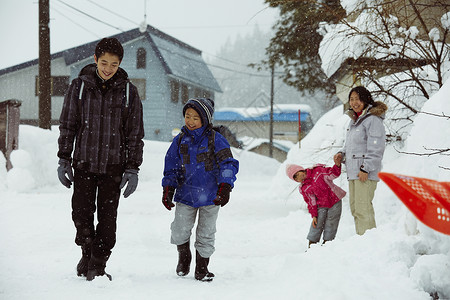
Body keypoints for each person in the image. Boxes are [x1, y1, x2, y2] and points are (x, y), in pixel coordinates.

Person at [57, 37, 144, 281]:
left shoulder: (128, 92)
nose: (108, 69)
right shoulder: (79, 87)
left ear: (120, 65)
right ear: (95, 60)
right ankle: (87, 251)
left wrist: (132, 168)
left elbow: (134, 133)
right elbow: (68, 125)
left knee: (107, 222)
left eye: (113, 65)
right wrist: (64, 158)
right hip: (84, 164)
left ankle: (98, 264)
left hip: (112, 168)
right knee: (81, 215)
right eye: (104, 62)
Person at [161, 98, 239, 282]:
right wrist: (168, 189)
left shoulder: (216, 139)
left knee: (206, 232)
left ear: (205, 119)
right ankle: (184, 255)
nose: (190, 121)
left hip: (212, 196)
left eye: (196, 117)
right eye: (188, 116)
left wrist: (225, 186)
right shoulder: (179, 141)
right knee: (179, 229)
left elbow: (228, 163)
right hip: (185, 194)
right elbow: (171, 166)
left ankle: (202, 267)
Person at [334, 86, 387, 235]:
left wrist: (366, 168)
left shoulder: (373, 120)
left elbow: (376, 148)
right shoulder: (355, 121)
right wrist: (341, 154)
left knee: (364, 210)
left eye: (357, 98)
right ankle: (361, 243)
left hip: (364, 172)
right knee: (356, 210)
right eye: (351, 99)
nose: (354, 102)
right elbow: (351, 146)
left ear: (365, 99)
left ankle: (370, 244)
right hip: (354, 172)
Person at [286, 156, 346, 247]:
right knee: (317, 223)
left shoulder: (318, 172)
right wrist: (314, 215)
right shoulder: (304, 187)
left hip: (334, 200)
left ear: (301, 170)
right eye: (296, 178)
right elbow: (311, 202)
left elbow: (332, 174)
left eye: (298, 173)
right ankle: (312, 244)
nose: (299, 177)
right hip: (321, 206)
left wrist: (337, 165)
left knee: (331, 223)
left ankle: (328, 244)